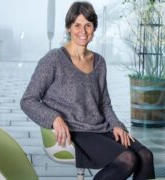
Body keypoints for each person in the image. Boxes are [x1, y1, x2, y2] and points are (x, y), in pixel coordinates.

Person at [20, 1, 155, 180]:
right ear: (69, 27)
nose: (83, 31)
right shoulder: (53, 59)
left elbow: (104, 103)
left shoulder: (99, 62)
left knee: (146, 156)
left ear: (94, 28)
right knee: (128, 159)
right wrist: (54, 118)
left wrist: (116, 124)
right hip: (76, 131)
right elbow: (28, 100)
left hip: (100, 128)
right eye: (77, 25)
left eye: (88, 25)